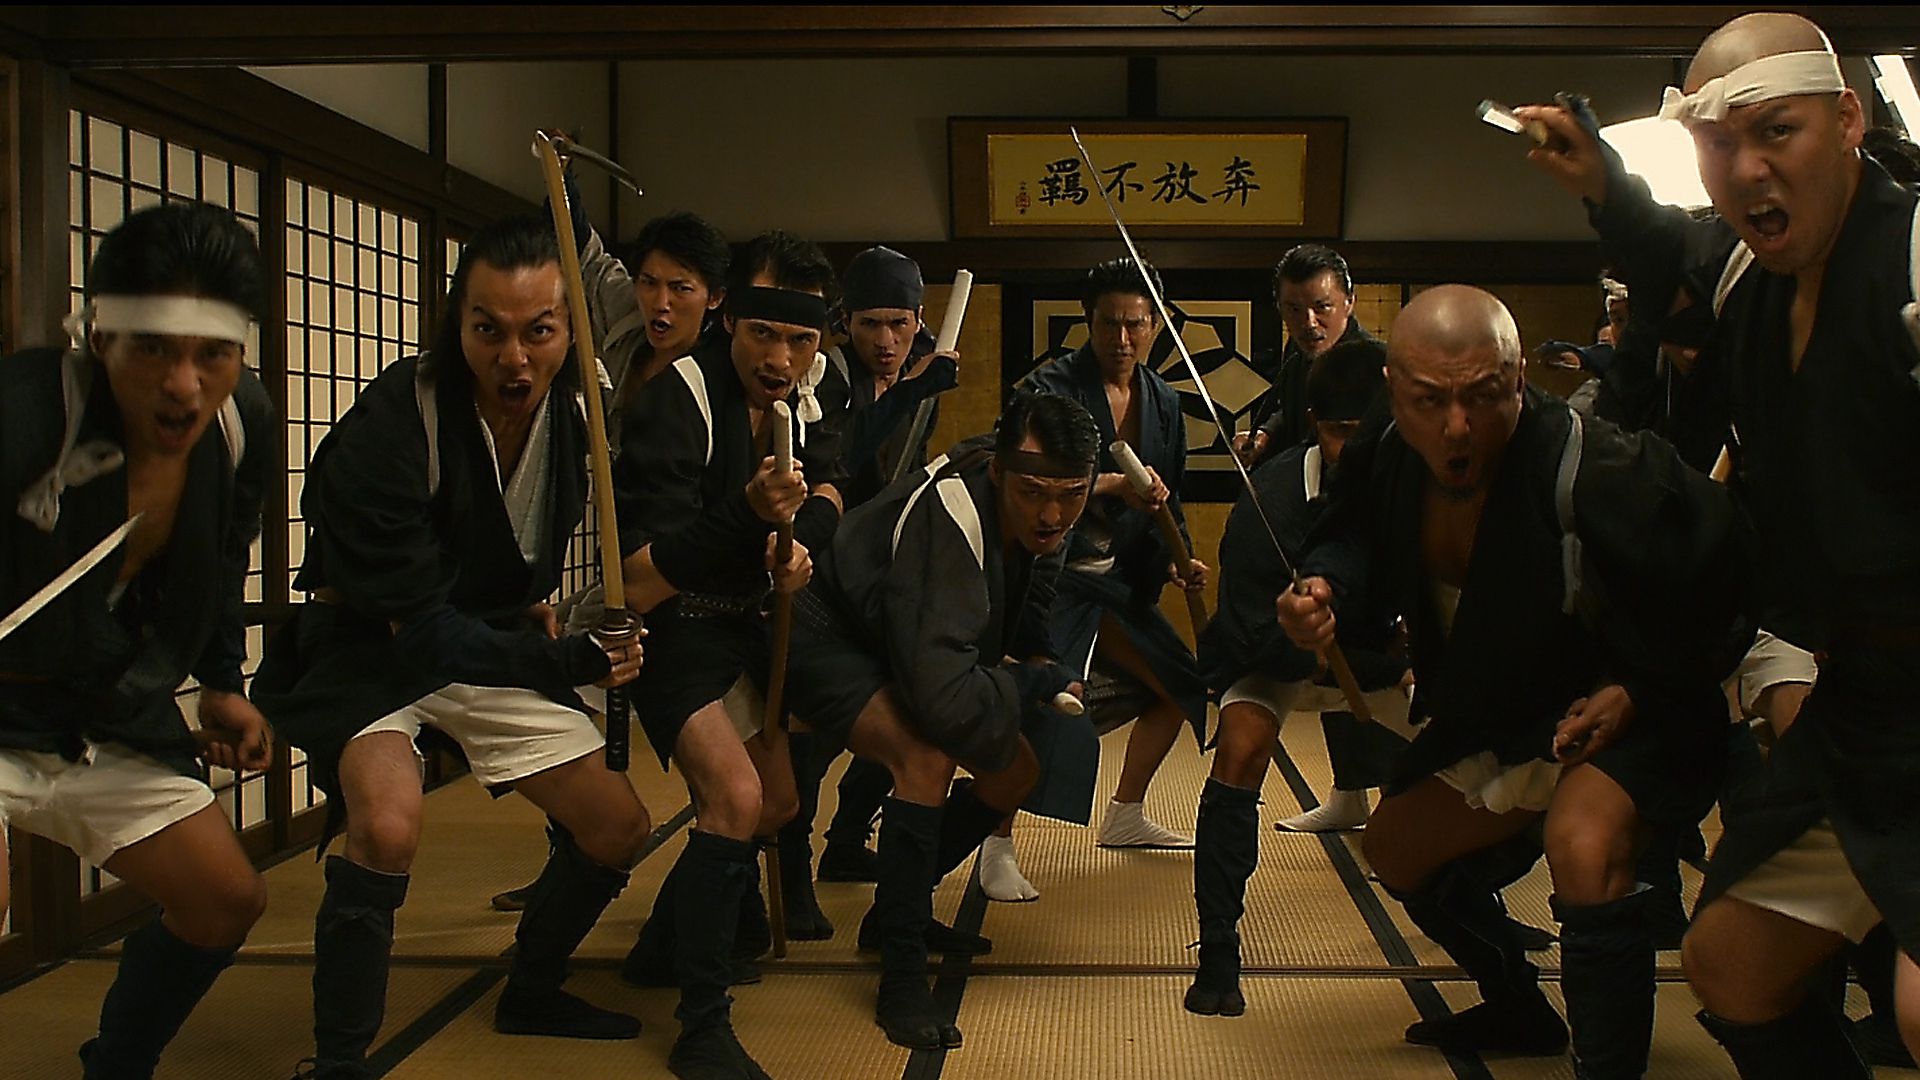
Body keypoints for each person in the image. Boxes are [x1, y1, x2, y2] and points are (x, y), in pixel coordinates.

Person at [1516, 13, 1920, 1074]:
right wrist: (1604, 183)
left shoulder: (1915, 266)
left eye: (1777, 132)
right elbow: (1675, 254)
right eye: (1715, 144)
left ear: (1849, 120)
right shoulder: (1751, 281)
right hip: (1863, 709)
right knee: (1735, 963)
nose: (1744, 171)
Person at [1277, 285, 1750, 1076]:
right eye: (1430, 401)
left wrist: (1637, 687)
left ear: (1519, 378)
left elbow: (1727, 578)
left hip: (1625, 707)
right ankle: (1517, 1006)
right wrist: (1323, 589)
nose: (1457, 426)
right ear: (1395, 390)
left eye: (1483, 395)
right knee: (1394, 848)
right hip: (1502, 711)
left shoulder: (1598, 464)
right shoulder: (1386, 452)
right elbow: (1346, 535)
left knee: (1583, 845)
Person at [252, 214, 653, 1080]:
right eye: (488, 330)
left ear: (570, 330)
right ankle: (340, 1059)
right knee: (388, 826)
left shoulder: (571, 418)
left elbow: (513, 545)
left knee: (617, 825)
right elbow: (420, 623)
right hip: (372, 646)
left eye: (539, 331)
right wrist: (570, 662)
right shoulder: (396, 420)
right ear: (456, 324)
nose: (515, 358)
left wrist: (531, 605)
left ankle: (532, 988)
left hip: (486, 642)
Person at [0, 202, 272, 1080]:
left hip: (102, 713)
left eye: (212, 354)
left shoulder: (239, 426)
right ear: (100, 337)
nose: (184, 385)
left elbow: (224, 557)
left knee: (224, 898)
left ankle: (117, 1067)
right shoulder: (24, 411)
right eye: (152, 349)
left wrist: (222, 681)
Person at [784, 390, 1096, 1050]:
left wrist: (1042, 665)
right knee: (924, 758)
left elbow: (1023, 616)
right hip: (823, 629)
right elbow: (943, 702)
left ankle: (895, 913)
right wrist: (1034, 682)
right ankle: (901, 975)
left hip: (892, 640)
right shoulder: (953, 514)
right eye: (1035, 492)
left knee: (1015, 774)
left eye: (1072, 495)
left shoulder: (1033, 513)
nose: (1052, 514)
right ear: (999, 471)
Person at [612, 229, 844, 1079]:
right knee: (736, 797)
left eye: (800, 340)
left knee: (776, 801)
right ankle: (701, 1025)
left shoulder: (807, 393)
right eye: (762, 334)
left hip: (746, 618)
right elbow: (639, 579)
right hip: (666, 629)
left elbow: (831, 484)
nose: (780, 359)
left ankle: (660, 948)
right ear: (728, 319)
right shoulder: (677, 398)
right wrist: (751, 516)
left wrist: (800, 541)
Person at [1186, 339, 1416, 1016]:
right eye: (1343, 432)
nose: (1358, 449)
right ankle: (1218, 945)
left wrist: (1404, 658)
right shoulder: (1273, 495)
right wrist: (1312, 643)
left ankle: (1480, 904)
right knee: (1239, 748)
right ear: (1315, 424)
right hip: (1274, 656)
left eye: (1374, 432)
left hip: (1377, 663)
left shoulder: (1412, 482)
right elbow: (1246, 630)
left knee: (1473, 750)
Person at [778, 245, 963, 937]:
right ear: (843, 322)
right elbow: (842, 461)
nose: (886, 341)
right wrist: (913, 390)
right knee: (811, 731)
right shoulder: (824, 378)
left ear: (920, 320)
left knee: (908, 705)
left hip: (877, 574)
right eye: (869, 325)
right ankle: (790, 873)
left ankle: (849, 839)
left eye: (899, 324)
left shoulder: (919, 376)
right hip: (813, 574)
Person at [1016, 257, 1209, 866]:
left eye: (1135, 324)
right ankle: (993, 840)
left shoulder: (1164, 400)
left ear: (1156, 324)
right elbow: (1020, 477)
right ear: (1087, 321)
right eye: (1108, 324)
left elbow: (1167, 494)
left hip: (1118, 578)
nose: (1122, 339)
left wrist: (1178, 557)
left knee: (1180, 686)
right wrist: (1111, 485)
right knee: (1037, 705)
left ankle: (1126, 813)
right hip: (1050, 579)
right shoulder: (1047, 389)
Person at [1233, 244, 1380, 466]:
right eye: (1294, 309)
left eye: (1322, 307)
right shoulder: (1297, 347)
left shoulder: (1371, 364)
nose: (1308, 323)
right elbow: (1293, 409)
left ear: (1349, 302)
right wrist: (1266, 435)